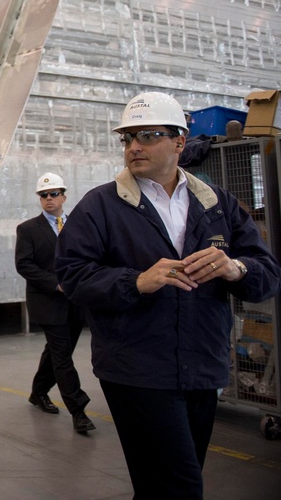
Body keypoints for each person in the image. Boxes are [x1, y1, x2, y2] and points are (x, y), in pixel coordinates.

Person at [55, 91, 281, 499]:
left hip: (203, 367)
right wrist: (136, 281)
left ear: (179, 142)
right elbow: (72, 275)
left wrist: (236, 268)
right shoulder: (101, 206)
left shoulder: (216, 205)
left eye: (148, 135)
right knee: (179, 486)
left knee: (170, 479)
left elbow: (266, 274)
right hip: (138, 370)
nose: (134, 146)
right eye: (128, 138)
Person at [15, 172, 93, 433]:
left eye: (54, 194)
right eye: (44, 195)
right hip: (48, 302)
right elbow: (24, 264)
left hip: (76, 302)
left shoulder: (77, 226)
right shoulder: (27, 229)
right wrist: (54, 283)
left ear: (63, 197)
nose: (49, 198)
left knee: (59, 352)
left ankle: (38, 393)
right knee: (62, 357)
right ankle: (78, 409)